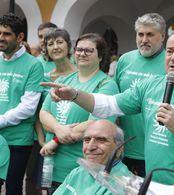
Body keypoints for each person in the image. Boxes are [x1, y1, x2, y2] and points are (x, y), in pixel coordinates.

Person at [42, 30, 174, 185]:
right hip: (153, 184)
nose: (173, 58)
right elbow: (110, 105)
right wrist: (75, 95)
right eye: (170, 51)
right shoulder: (152, 85)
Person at [39, 33, 119, 194]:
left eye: (88, 51)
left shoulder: (106, 85)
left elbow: (94, 126)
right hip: (51, 164)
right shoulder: (63, 81)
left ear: (100, 56)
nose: (82, 54)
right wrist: (58, 130)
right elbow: (43, 114)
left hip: (80, 172)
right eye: (79, 50)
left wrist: (55, 138)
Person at [114, 13, 166, 177]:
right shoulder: (125, 60)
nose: (144, 40)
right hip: (122, 148)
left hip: (153, 152)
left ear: (162, 36)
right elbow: (115, 99)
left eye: (150, 34)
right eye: (140, 34)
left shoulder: (170, 63)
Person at [0, 13, 44, 194]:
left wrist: (1, 120)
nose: (1, 38)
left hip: (17, 140)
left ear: (20, 37)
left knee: (12, 188)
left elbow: (28, 107)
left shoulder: (33, 65)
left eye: (7, 34)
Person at [53, 120, 131, 194]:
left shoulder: (121, 186)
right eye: (87, 140)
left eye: (101, 140)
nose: (90, 147)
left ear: (119, 149)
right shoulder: (78, 171)